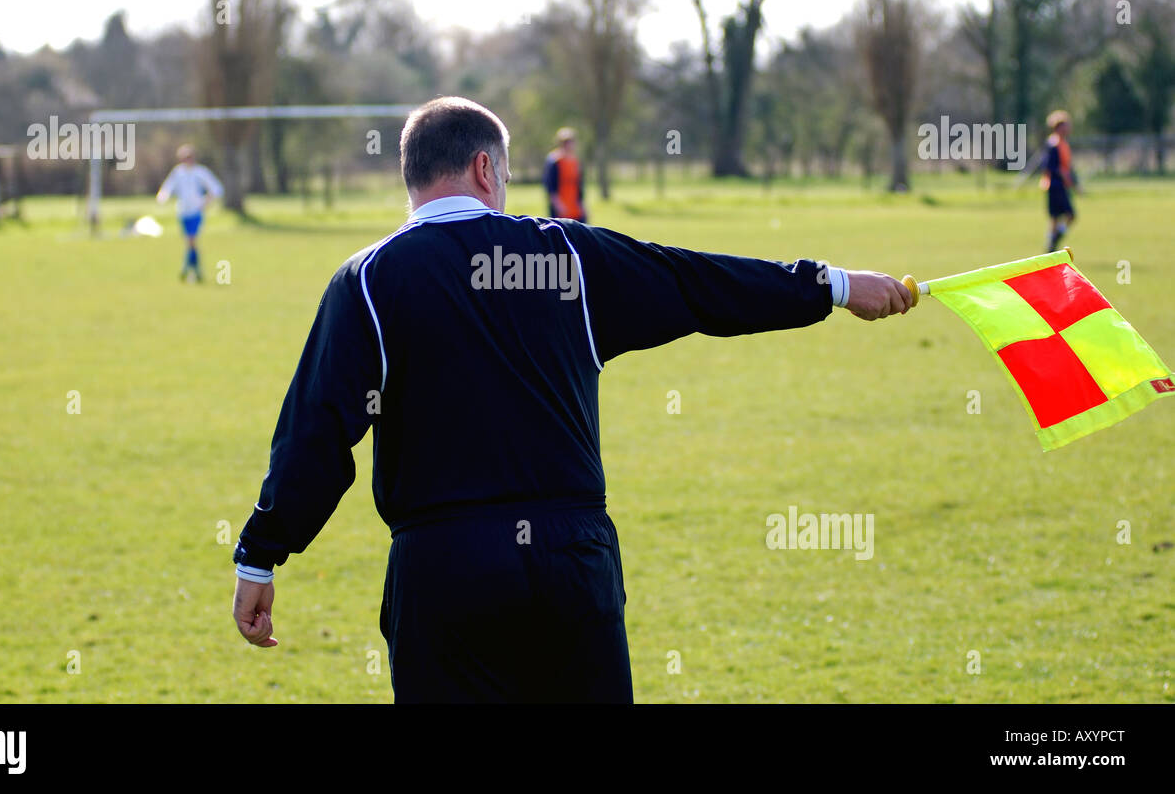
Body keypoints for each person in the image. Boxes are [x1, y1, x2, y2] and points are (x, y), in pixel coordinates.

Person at [230, 96, 912, 703]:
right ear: (483, 169)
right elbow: (701, 284)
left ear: (410, 179)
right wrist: (835, 286)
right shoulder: (568, 259)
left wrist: (262, 553)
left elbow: (315, 435)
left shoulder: (368, 279)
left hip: (444, 568)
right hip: (571, 559)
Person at [156, 145, 223, 282]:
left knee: (191, 240)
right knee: (190, 242)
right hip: (183, 212)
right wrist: (163, 197)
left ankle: (188, 269)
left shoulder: (200, 172)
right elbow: (168, 187)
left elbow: (216, 189)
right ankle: (193, 270)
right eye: (184, 158)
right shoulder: (178, 173)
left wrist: (206, 202)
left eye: (189, 157)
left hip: (196, 212)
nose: (187, 160)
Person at [1037, 110, 1078, 253]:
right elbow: (1050, 167)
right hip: (1055, 185)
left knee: (1061, 217)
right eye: (1065, 125)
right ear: (1058, 127)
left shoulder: (1063, 144)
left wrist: (1073, 181)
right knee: (1065, 215)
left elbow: (1068, 166)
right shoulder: (1053, 144)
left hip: (1062, 185)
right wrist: (1065, 177)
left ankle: (1052, 243)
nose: (1068, 128)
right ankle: (1052, 244)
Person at [543, 126, 586, 222]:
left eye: (571, 142)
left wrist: (583, 206)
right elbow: (550, 187)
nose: (569, 145)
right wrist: (558, 206)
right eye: (566, 142)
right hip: (561, 210)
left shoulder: (575, 162)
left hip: (575, 209)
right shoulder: (554, 161)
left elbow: (580, 187)